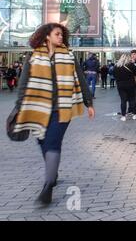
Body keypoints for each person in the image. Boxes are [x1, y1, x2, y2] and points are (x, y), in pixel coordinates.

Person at [14, 23, 95, 206]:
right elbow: (23, 84)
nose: (61, 37)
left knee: (52, 142)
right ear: (47, 36)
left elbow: (81, 78)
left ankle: (48, 186)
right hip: (37, 108)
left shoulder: (69, 56)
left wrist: (88, 102)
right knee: (42, 141)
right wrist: (19, 107)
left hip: (62, 108)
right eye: (57, 34)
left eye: (62, 35)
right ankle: (53, 171)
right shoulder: (33, 57)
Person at [113, 54, 136, 121]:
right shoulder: (131, 65)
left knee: (123, 100)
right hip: (131, 85)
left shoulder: (116, 66)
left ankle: (123, 116)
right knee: (132, 100)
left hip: (121, 86)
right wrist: (134, 63)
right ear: (128, 58)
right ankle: (135, 115)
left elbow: (114, 75)